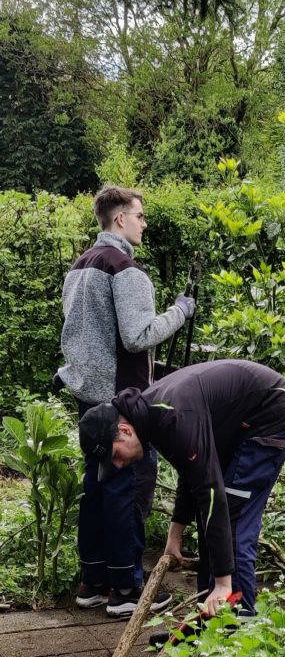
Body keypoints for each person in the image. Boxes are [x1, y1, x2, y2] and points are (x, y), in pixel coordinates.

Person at [58, 185, 196, 617]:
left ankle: (93, 581)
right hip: (124, 401)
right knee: (126, 487)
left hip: (88, 400)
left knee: (95, 486)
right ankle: (127, 591)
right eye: (140, 215)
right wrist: (181, 311)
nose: (144, 222)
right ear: (120, 219)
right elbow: (138, 336)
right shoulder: (125, 269)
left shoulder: (79, 267)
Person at [78, 359, 285, 617]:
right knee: (211, 513)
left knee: (232, 513)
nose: (118, 465)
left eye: (115, 455)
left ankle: (239, 624)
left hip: (272, 412)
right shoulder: (152, 418)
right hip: (237, 425)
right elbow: (192, 474)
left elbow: (209, 488)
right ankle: (211, 619)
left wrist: (223, 582)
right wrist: (175, 534)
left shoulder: (173, 414)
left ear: (125, 430)